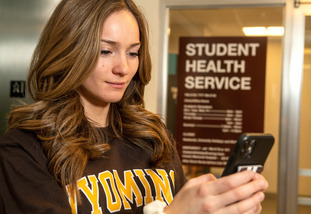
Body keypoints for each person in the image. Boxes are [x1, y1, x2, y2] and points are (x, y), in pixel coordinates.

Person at [0, 0, 268, 213]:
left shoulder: (153, 137)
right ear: (69, 51)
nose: (123, 68)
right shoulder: (26, 148)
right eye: (106, 51)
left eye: (133, 52)